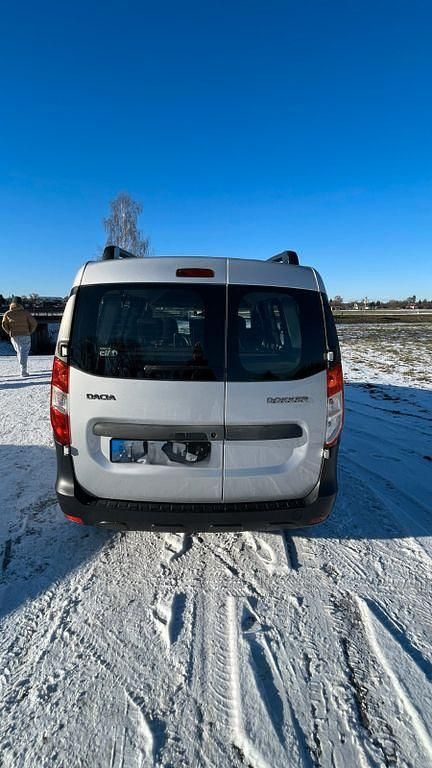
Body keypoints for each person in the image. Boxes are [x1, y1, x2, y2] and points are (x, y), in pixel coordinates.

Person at [2, 297, 38, 377]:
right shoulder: (25, 313)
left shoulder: (8, 313)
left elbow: (4, 325)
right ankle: (23, 371)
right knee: (24, 352)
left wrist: (9, 332)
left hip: (14, 335)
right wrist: (30, 331)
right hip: (25, 334)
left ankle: (22, 369)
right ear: (21, 304)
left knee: (19, 352)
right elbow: (34, 323)